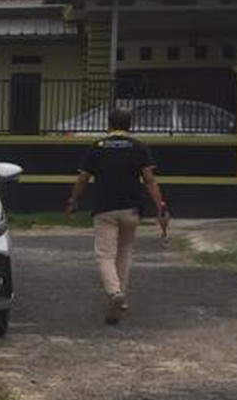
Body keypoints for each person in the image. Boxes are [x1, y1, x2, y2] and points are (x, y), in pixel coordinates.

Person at [64, 108, 169, 324]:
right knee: (125, 251)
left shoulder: (97, 147)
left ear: (109, 124)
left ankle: (114, 293)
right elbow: (150, 180)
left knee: (105, 254)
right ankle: (120, 296)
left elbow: (83, 178)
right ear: (130, 125)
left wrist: (73, 201)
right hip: (132, 208)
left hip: (104, 209)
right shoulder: (140, 147)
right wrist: (160, 206)